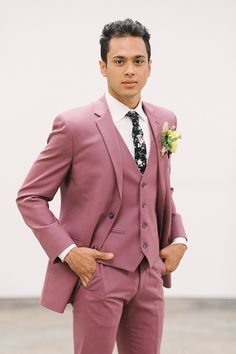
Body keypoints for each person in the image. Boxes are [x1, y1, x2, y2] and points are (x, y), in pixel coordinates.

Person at [16, 18, 188, 354]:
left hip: (150, 271)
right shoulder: (74, 126)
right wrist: (69, 253)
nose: (130, 70)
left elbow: (159, 187)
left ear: (150, 67)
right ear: (102, 66)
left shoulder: (165, 120)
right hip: (98, 273)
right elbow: (30, 196)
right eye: (119, 61)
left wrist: (179, 239)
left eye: (138, 61)